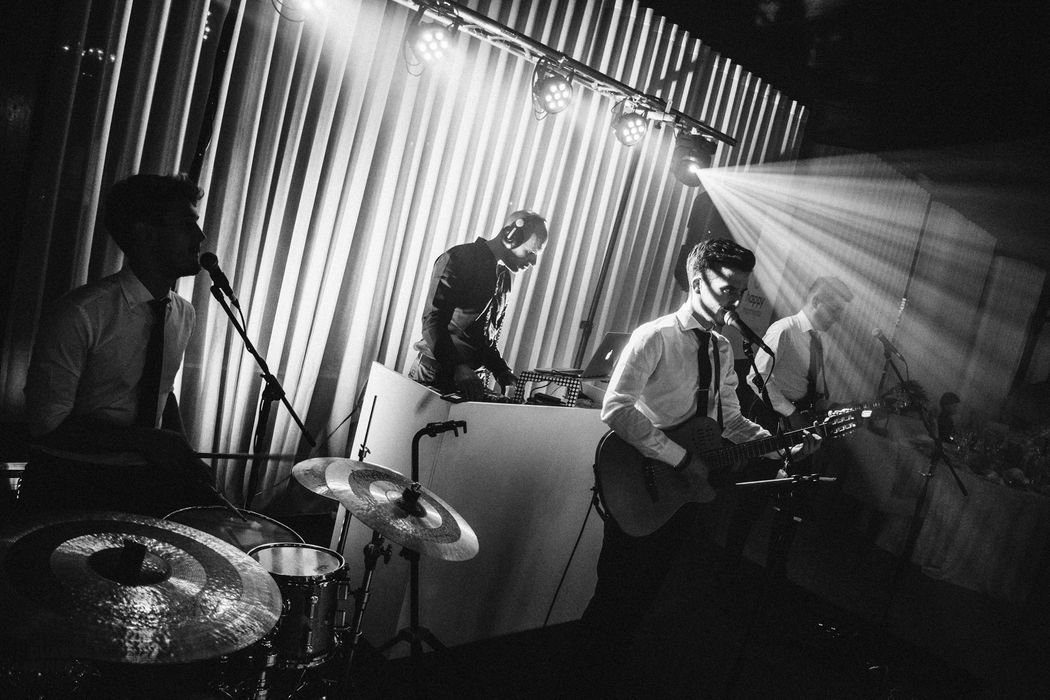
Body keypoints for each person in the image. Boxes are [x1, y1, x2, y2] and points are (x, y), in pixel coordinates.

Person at [575, 239, 819, 694]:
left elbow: (731, 421)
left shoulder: (722, 349)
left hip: (682, 490)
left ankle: (609, 676)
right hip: (638, 478)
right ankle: (583, 678)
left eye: (742, 291)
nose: (736, 301)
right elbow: (616, 408)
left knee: (650, 592)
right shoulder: (656, 336)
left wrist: (779, 446)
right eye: (728, 288)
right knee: (615, 593)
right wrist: (679, 457)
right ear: (697, 281)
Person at [19, 173, 217, 518]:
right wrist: (149, 441)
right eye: (187, 225)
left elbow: (159, 389)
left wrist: (183, 451)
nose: (200, 237)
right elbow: (47, 425)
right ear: (144, 233)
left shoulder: (183, 313)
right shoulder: (81, 313)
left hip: (142, 480)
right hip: (68, 483)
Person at [408, 210, 548, 400]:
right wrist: (458, 366)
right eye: (531, 252)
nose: (533, 261)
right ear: (511, 236)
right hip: (436, 372)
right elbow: (433, 322)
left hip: (468, 378)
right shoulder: (459, 259)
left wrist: (500, 370)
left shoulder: (504, 277)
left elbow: (483, 336)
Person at [745, 275, 854, 431]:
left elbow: (810, 389)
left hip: (797, 419)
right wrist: (792, 413)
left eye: (839, 313)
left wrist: (837, 407)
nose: (837, 318)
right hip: (771, 418)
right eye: (834, 310)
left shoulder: (822, 341)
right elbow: (756, 377)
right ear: (816, 302)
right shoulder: (784, 329)